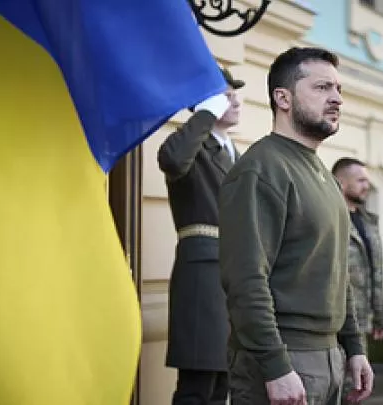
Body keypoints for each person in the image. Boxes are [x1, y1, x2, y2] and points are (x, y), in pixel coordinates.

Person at [218, 46, 374, 405]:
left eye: (338, 89)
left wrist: (354, 347)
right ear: (283, 98)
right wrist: (275, 366)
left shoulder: (324, 174)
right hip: (284, 360)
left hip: (330, 357)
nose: (336, 99)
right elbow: (245, 280)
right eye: (322, 87)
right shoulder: (260, 169)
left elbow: (337, 273)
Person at [157, 66, 245, 405]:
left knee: (223, 383)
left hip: (235, 274)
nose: (235, 100)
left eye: (235, 94)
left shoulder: (236, 153)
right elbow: (172, 160)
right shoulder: (192, 146)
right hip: (204, 274)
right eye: (225, 95)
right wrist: (205, 114)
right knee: (198, 384)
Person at [332, 158, 383, 404]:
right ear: (341, 182)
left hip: (362, 322)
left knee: (357, 388)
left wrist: (379, 314)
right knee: (340, 390)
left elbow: (376, 271)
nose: (367, 186)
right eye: (361, 180)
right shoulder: (331, 218)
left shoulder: (368, 221)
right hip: (337, 322)